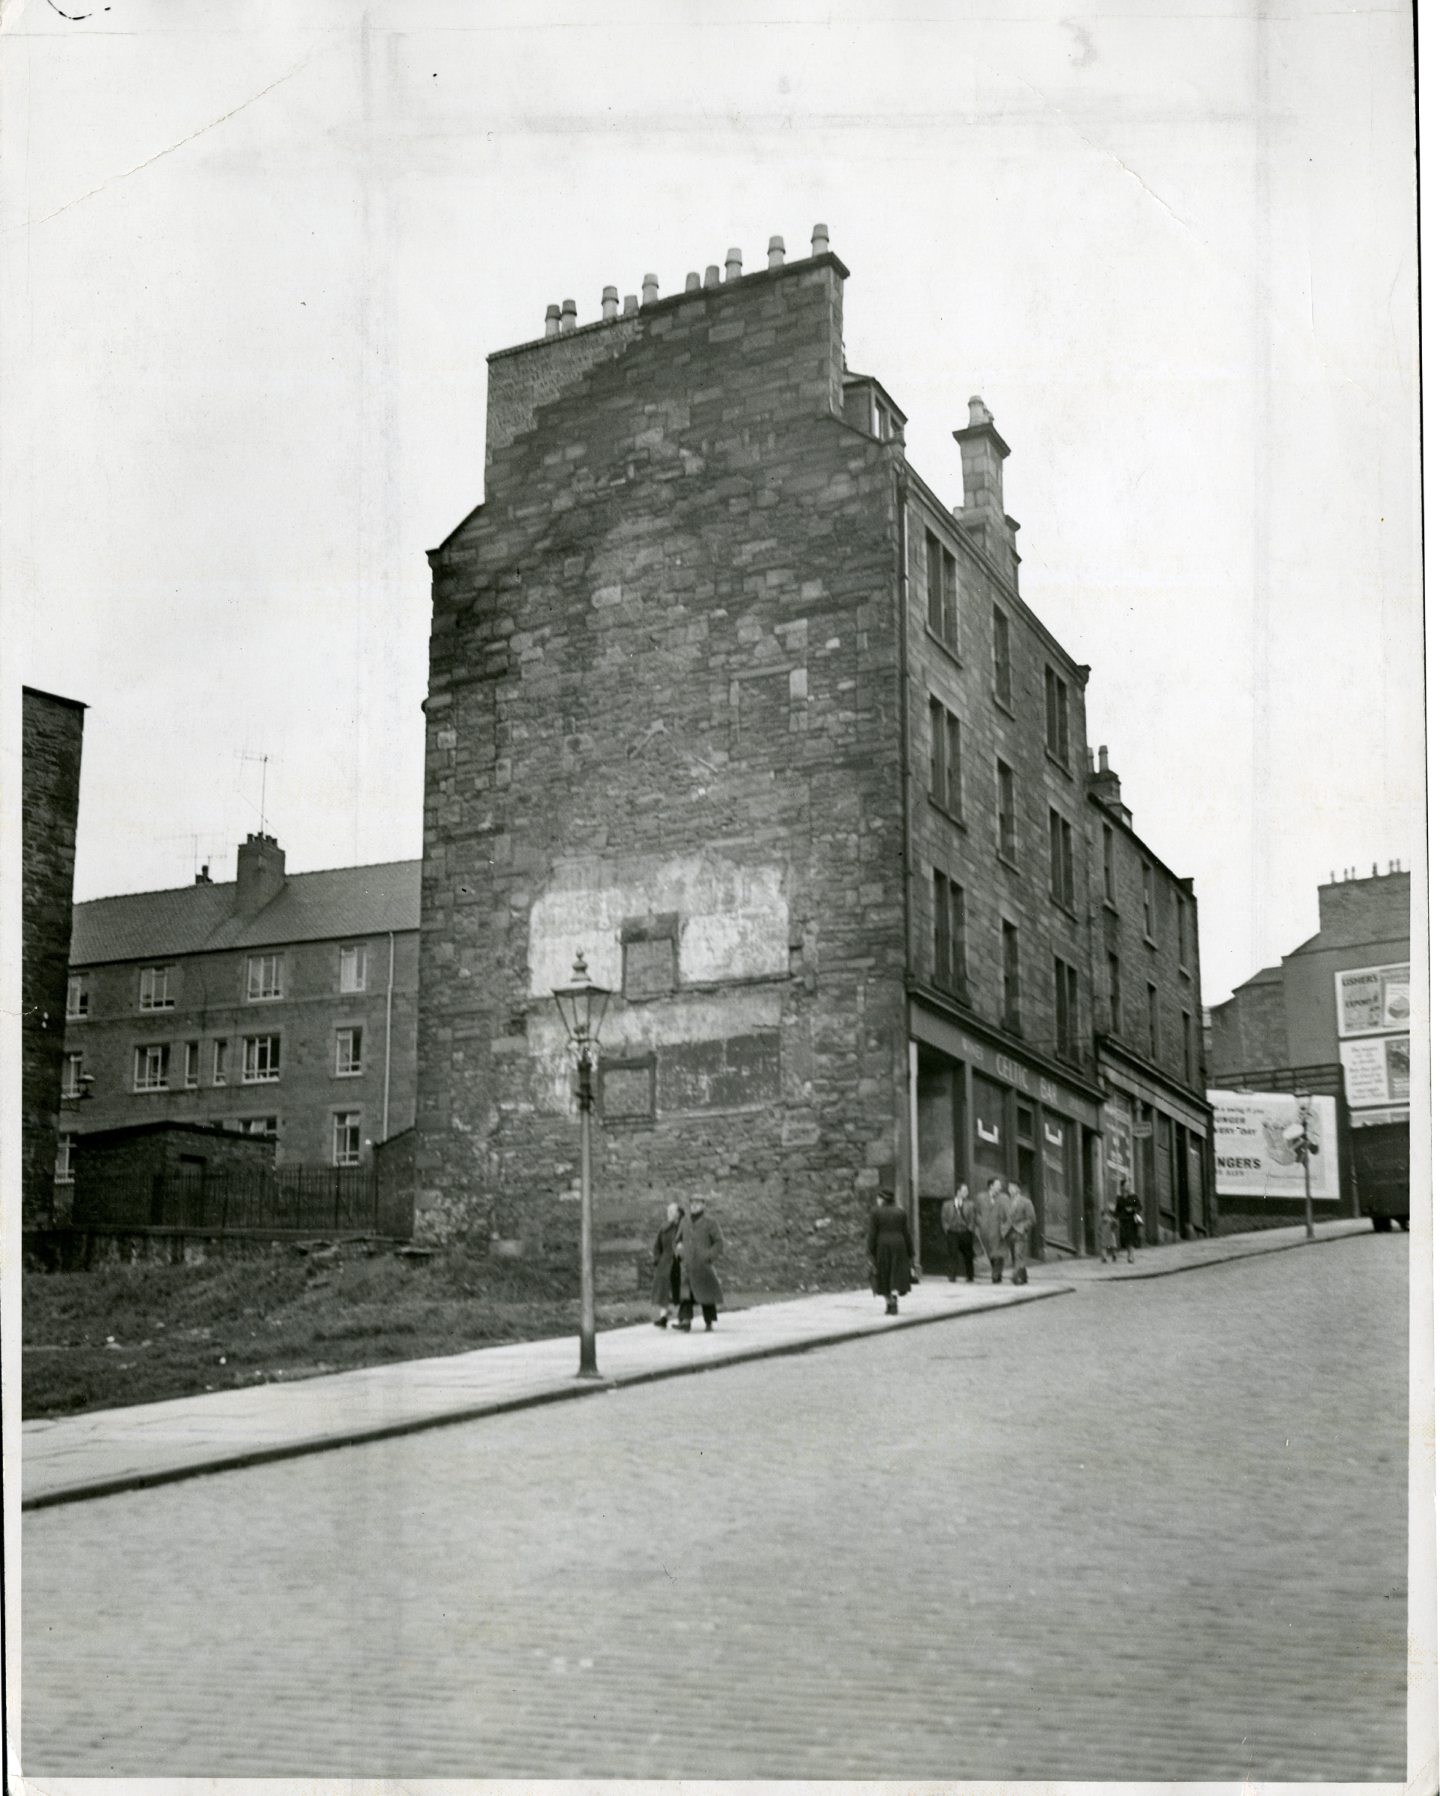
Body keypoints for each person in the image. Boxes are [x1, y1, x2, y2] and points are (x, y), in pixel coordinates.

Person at [675, 1195, 724, 1331]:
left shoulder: (710, 1222)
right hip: (688, 1265)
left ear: (704, 1205)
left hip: (703, 1266)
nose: (694, 1205)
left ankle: (709, 1322)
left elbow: (719, 1242)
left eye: (698, 1203)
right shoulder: (684, 1221)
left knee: (706, 1296)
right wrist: (679, 1248)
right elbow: (677, 1239)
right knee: (686, 1295)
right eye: (692, 1203)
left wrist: (708, 1256)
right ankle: (685, 1321)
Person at [866, 1190, 914, 1316]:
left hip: (883, 1245)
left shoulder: (876, 1212)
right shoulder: (900, 1212)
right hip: (900, 1244)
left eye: (878, 1198)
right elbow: (906, 1233)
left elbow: (872, 1233)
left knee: (883, 1274)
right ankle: (892, 1300)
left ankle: (890, 1302)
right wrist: (910, 1251)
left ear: (882, 1199)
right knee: (895, 1273)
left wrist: (870, 1250)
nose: (877, 1200)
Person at [650, 1201, 683, 1327]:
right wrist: (657, 1260)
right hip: (664, 1264)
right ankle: (663, 1318)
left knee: (679, 1291)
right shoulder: (663, 1228)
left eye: (672, 1212)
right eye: (668, 1211)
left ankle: (683, 1317)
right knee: (663, 1291)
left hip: (678, 1263)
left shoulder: (682, 1227)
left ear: (678, 1214)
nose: (669, 1214)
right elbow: (657, 1245)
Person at [974, 1177, 1010, 1284]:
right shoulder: (980, 1197)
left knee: (999, 1253)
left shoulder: (1004, 1197)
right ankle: (998, 1273)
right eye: (998, 1184)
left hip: (1000, 1230)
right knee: (991, 1253)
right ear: (991, 1186)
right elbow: (976, 1212)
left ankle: (995, 1275)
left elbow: (1009, 1214)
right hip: (985, 1230)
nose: (1000, 1186)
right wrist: (980, 1222)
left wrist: (1006, 1226)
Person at [940, 1181, 977, 1282]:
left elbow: (973, 1218)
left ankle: (970, 1276)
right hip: (952, 1232)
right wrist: (947, 1229)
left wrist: (970, 1229)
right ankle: (952, 1275)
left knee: (968, 1255)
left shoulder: (970, 1204)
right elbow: (943, 1218)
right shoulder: (947, 1204)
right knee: (952, 1254)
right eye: (964, 1190)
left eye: (967, 1191)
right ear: (958, 1192)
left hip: (965, 1232)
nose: (967, 1192)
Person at [1006, 1181, 1037, 1284]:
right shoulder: (1007, 1202)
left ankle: (1016, 1277)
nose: (1010, 1190)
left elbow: (1032, 1219)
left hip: (1020, 1232)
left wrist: (1022, 1227)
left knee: (1018, 1253)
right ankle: (1024, 1276)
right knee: (1014, 1255)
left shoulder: (1026, 1202)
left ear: (1018, 1189)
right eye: (1009, 1187)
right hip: (1009, 1232)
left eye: (1012, 1187)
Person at [1116, 1180, 1143, 1264]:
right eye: (1126, 1185)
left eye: (1129, 1185)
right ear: (1122, 1187)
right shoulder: (1120, 1198)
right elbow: (1117, 1210)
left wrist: (1133, 1209)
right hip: (1123, 1220)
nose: (1128, 1187)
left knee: (1130, 1237)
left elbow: (1139, 1207)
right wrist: (1114, 1217)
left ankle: (1130, 1256)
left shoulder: (1133, 1197)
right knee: (1126, 1238)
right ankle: (1129, 1254)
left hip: (1131, 1220)